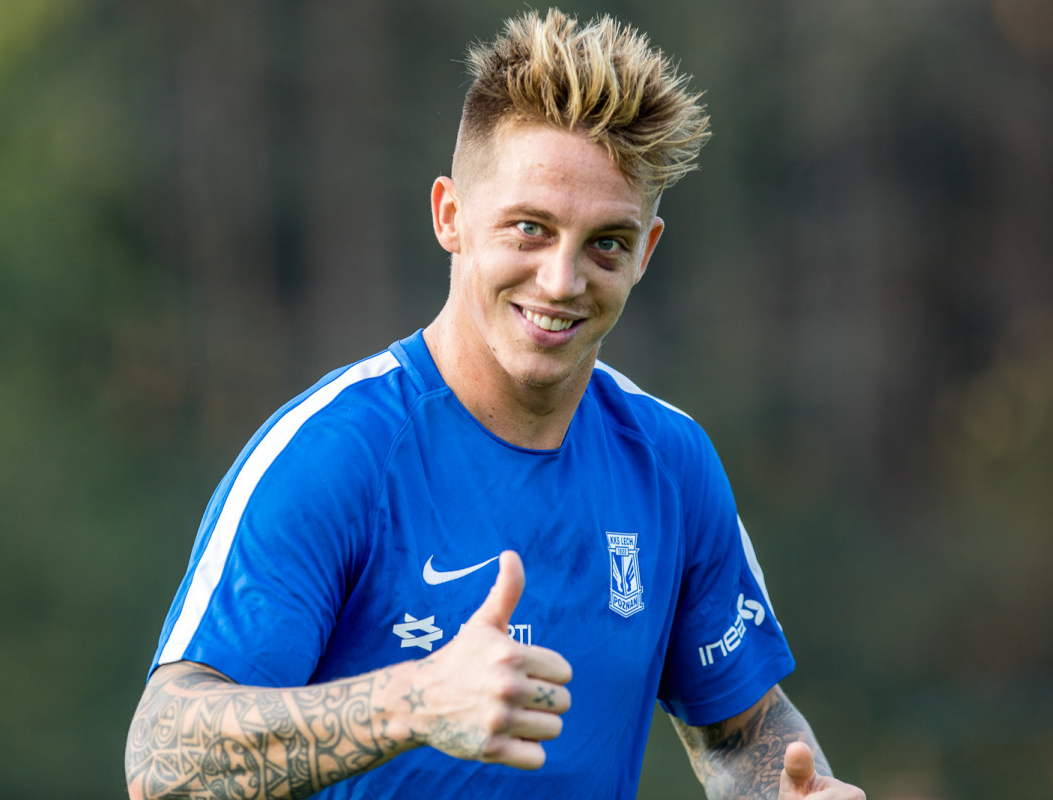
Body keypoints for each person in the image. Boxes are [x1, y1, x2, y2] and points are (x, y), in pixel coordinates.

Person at [125, 9, 865, 800]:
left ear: (646, 252)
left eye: (606, 243)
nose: (561, 281)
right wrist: (412, 703)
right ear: (450, 216)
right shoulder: (333, 453)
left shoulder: (671, 463)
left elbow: (740, 734)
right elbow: (162, 762)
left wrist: (790, 789)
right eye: (529, 228)